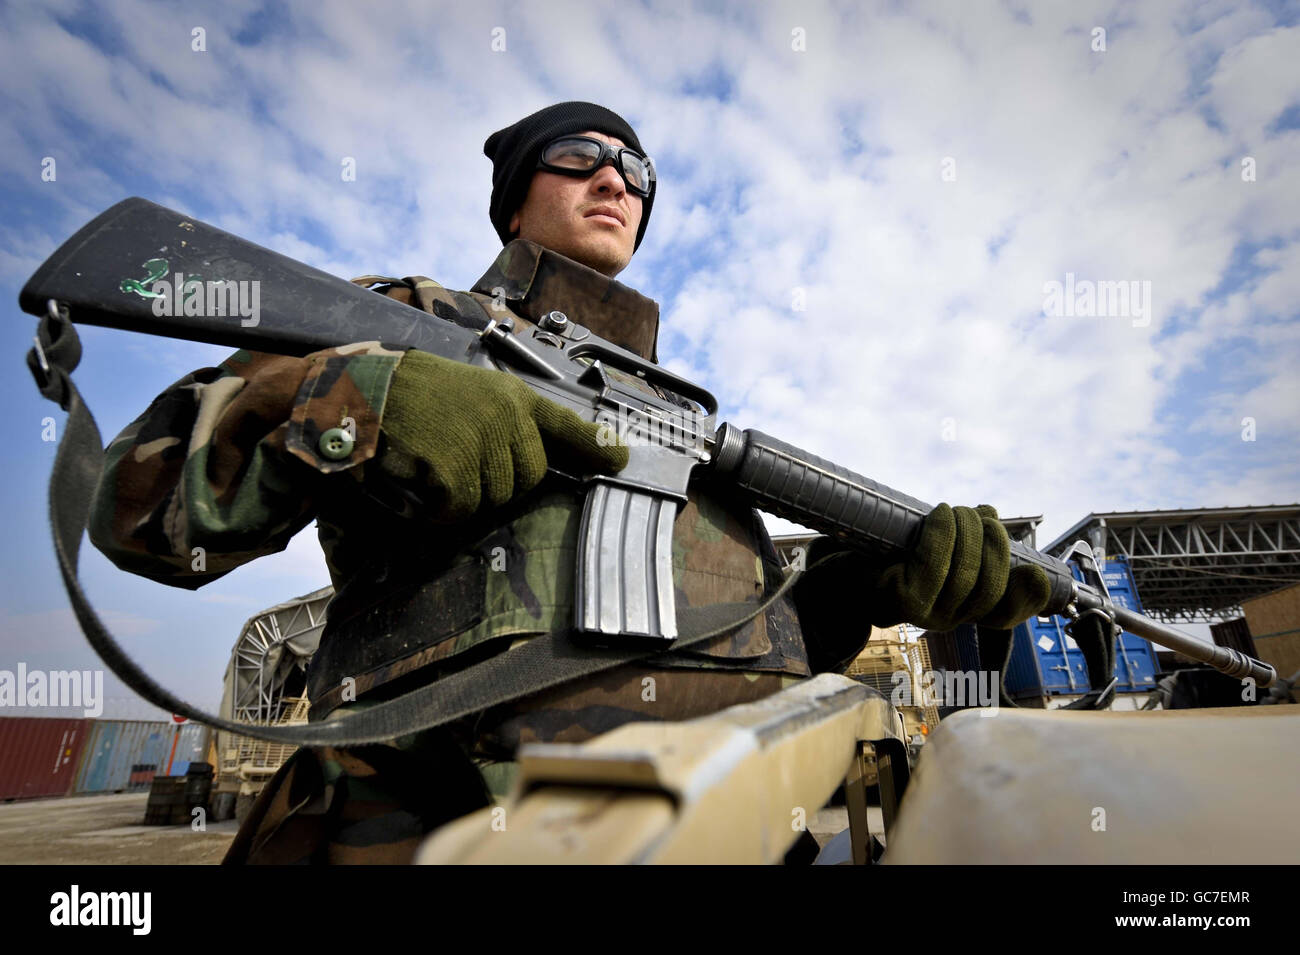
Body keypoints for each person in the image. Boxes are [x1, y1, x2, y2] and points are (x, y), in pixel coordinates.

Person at [88, 101, 1051, 864]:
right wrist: (363, 403)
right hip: (445, 831)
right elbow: (140, 509)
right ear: (514, 202)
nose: (614, 179)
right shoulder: (416, 322)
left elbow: (733, 649)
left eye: (637, 171)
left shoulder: (687, 424)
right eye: (580, 155)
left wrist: (852, 595)